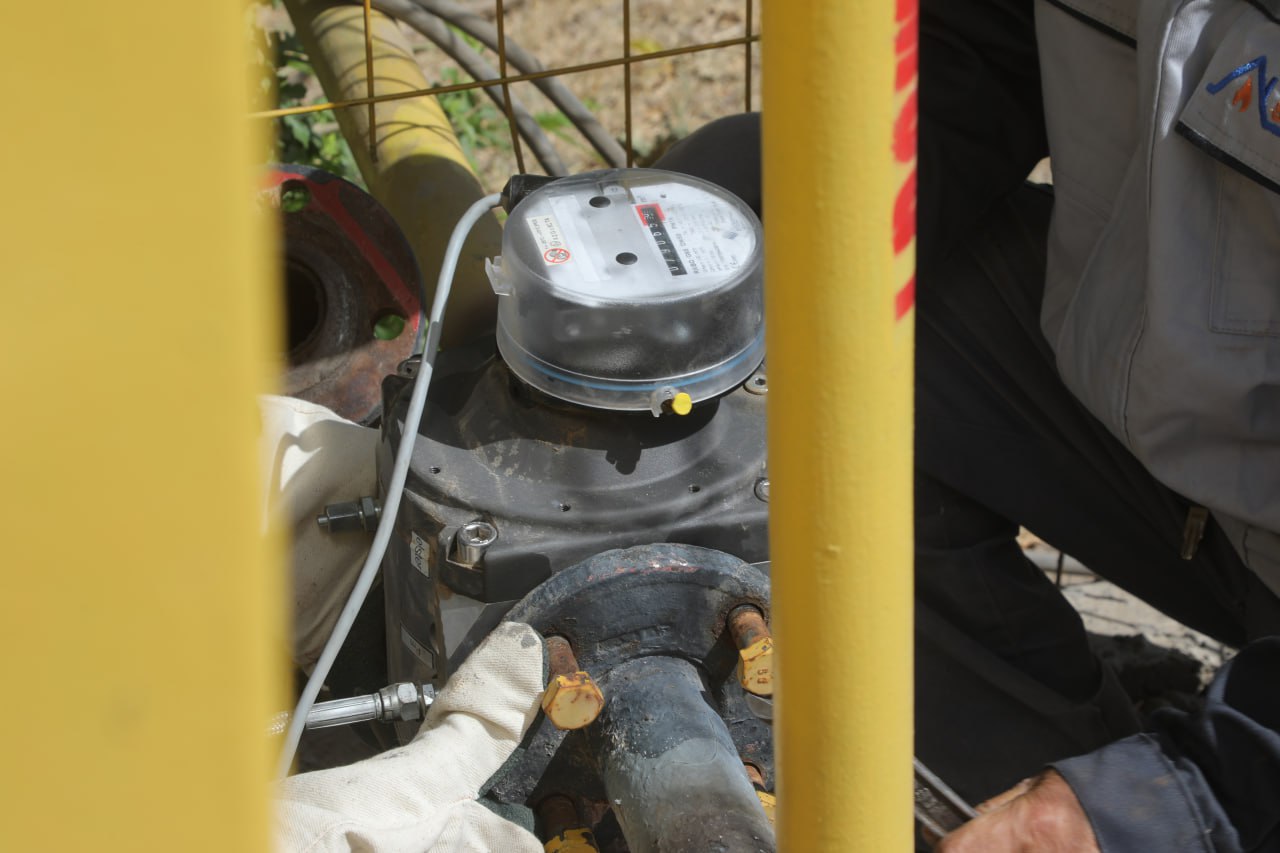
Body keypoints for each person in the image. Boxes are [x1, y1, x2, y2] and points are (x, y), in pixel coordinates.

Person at [655, 0, 1280, 850]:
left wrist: (1188, 792)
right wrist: (760, 249)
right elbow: (984, 49)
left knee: (1182, 803)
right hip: (1184, 420)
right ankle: (1033, 786)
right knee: (770, 254)